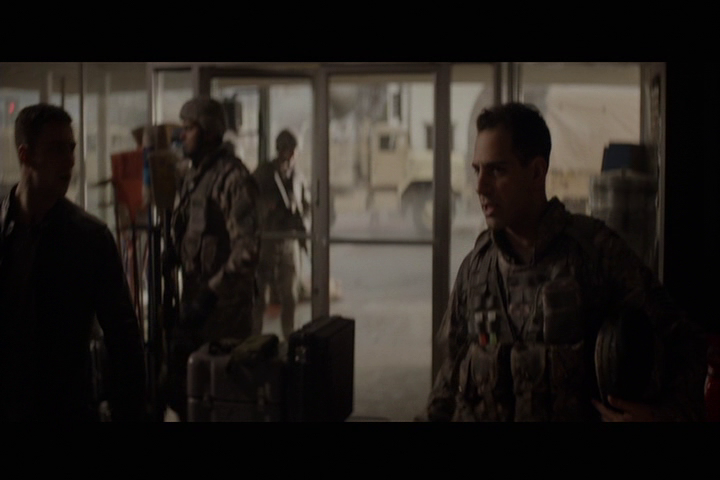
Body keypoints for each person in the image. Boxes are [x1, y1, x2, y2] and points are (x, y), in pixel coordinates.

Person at [422, 102, 706, 422]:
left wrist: (659, 416)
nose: (480, 187)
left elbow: (686, 344)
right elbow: (449, 380)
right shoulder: (476, 269)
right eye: (477, 170)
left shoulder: (595, 253)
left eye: (497, 170)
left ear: (536, 172)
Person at [0, 103, 147, 421]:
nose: (69, 161)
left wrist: (130, 411)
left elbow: (123, 336)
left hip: (66, 408)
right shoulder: (5, 230)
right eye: (56, 149)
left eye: (71, 148)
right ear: (25, 155)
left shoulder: (89, 238)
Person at [166, 96, 260, 421]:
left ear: (209, 133)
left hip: (225, 316)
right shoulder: (193, 177)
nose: (181, 135)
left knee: (223, 400)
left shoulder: (233, 179)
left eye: (189, 128)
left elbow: (247, 250)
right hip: (195, 307)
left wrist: (211, 294)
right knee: (186, 395)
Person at [252, 129, 310, 341]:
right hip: (267, 239)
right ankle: (254, 338)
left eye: (294, 150)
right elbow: (248, 200)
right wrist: (265, 208)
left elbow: (306, 206)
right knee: (259, 294)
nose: (292, 154)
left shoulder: (298, 176)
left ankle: (289, 336)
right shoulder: (264, 173)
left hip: (288, 241)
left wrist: (302, 221)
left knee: (290, 294)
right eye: (289, 149)